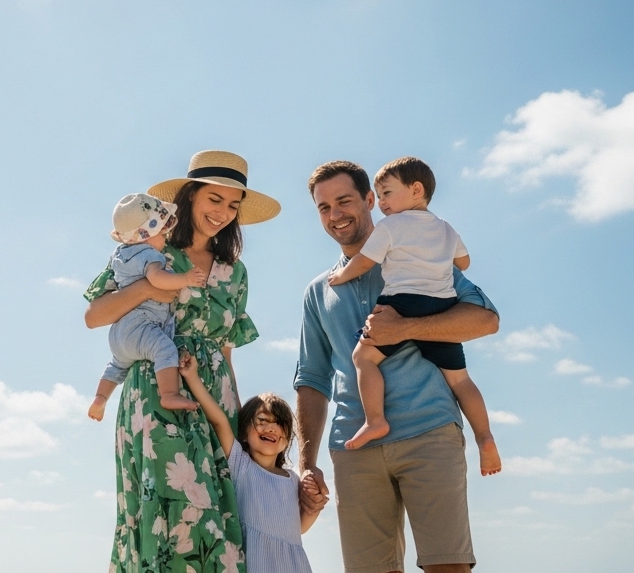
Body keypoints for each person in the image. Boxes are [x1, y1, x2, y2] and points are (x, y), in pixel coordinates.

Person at [295, 161, 500, 573]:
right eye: (323, 207)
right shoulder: (317, 291)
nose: (335, 214)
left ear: (371, 200)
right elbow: (312, 380)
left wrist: (405, 326)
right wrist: (306, 463)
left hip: (430, 431)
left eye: (345, 201)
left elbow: (486, 319)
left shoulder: (419, 259)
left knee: (449, 567)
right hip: (354, 448)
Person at [84, 150, 280, 573]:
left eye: (233, 205)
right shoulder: (148, 250)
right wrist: (151, 287)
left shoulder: (236, 271)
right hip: (157, 391)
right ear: (189, 197)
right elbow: (94, 316)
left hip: (216, 401)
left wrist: (241, 424)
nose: (223, 213)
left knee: (223, 514)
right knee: (174, 511)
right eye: (214, 199)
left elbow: (226, 351)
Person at [326, 158, 500, 473]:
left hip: (402, 303)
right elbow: (464, 263)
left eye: (387, 194)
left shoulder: (391, 226)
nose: (382, 203)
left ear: (416, 190)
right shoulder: (446, 228)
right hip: (442, 304)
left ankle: (375, 420)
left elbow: (365, 261)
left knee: (363, 360)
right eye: (379, 196)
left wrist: (340, 277)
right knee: (460, 380)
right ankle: (485, 437)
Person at [180, 353, 320, 573]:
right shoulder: (240, 464)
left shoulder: (292, 479)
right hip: (252, 562)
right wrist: (192, 376)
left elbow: (298, 528)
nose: (271, 428)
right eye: (262, 421)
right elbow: (220, 420)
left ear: (286, 440)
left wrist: (314, 507)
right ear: (244, 433)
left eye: (279, 424)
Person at [88, 193, 207, 420]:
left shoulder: (120, 254)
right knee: (165, 350)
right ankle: (169, 394)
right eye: (162, 233)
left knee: (116, 365)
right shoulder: (150, 254)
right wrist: (186, 279)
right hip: (143, 325)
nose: (165, 238)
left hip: (120, 333)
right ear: (146, 235)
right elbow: (157, 279)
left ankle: (100, 398)